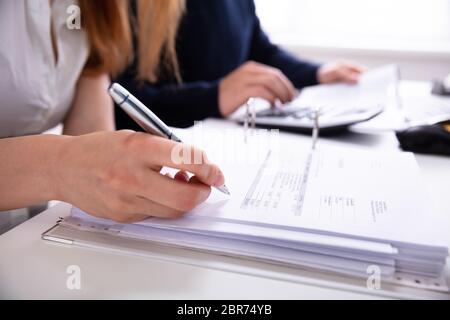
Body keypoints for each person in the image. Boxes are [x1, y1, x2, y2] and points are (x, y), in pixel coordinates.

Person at [0, 0, 224, 223]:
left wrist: (125, 181)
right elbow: (77, 164)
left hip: (27, 232)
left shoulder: (91, 7)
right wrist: (59, 166)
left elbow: (91, 140)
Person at [115, 0, 365, 129]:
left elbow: (260, 51)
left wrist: (318, 73)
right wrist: (214, 96)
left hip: (224, 139)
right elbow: (115, 100)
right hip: (170, 151)